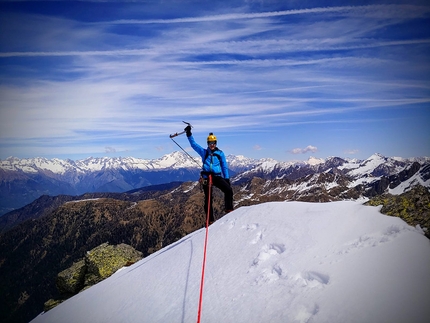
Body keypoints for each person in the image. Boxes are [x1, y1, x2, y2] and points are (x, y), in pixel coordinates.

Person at [185, 125, 233, 224]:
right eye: (210, 143)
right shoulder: (204, 152)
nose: (212, 145)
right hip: (206, 177)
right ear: (208, 143)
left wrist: (227, 178)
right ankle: (209, 220)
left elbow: (224, 166)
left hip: (217, 176)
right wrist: (189, 134)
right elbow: (194, 145)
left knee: (228, 190)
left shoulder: (220, 153)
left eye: (213, 143)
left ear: (216, 143)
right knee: (208, 199)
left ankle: (229, 209)